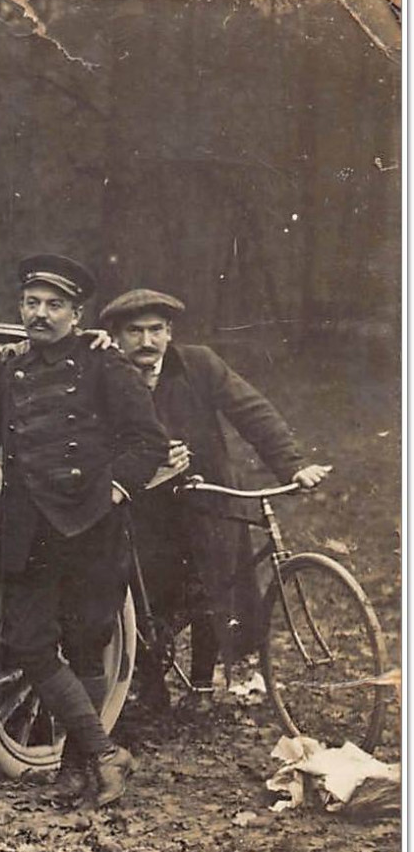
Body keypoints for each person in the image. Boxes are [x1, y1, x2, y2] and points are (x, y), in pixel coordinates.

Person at [0, 255, 170, 808]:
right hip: (28, 528)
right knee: (31, 644)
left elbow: (147, 442)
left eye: (54, 305)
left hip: (92, 527)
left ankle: (74, 769)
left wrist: (114, 491)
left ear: (75, 313)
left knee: (86, 647)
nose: (40, 315)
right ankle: (106, 753)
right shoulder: (9, 367)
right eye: (32, 303)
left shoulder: (103, 365)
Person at [99, 288, 330, 704]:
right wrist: (140, 459)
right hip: (143, 503)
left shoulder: (199, 365)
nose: (147, 342)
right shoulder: (106, 374)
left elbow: (251, 410)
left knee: (215, 583)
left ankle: (203, 684)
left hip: (207, 496)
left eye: (156, 330)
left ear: (170, 333)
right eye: (134, 331)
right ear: (116, 335)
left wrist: (292, 464)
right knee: (145, 590)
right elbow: (86, 436)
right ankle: (147, 680)